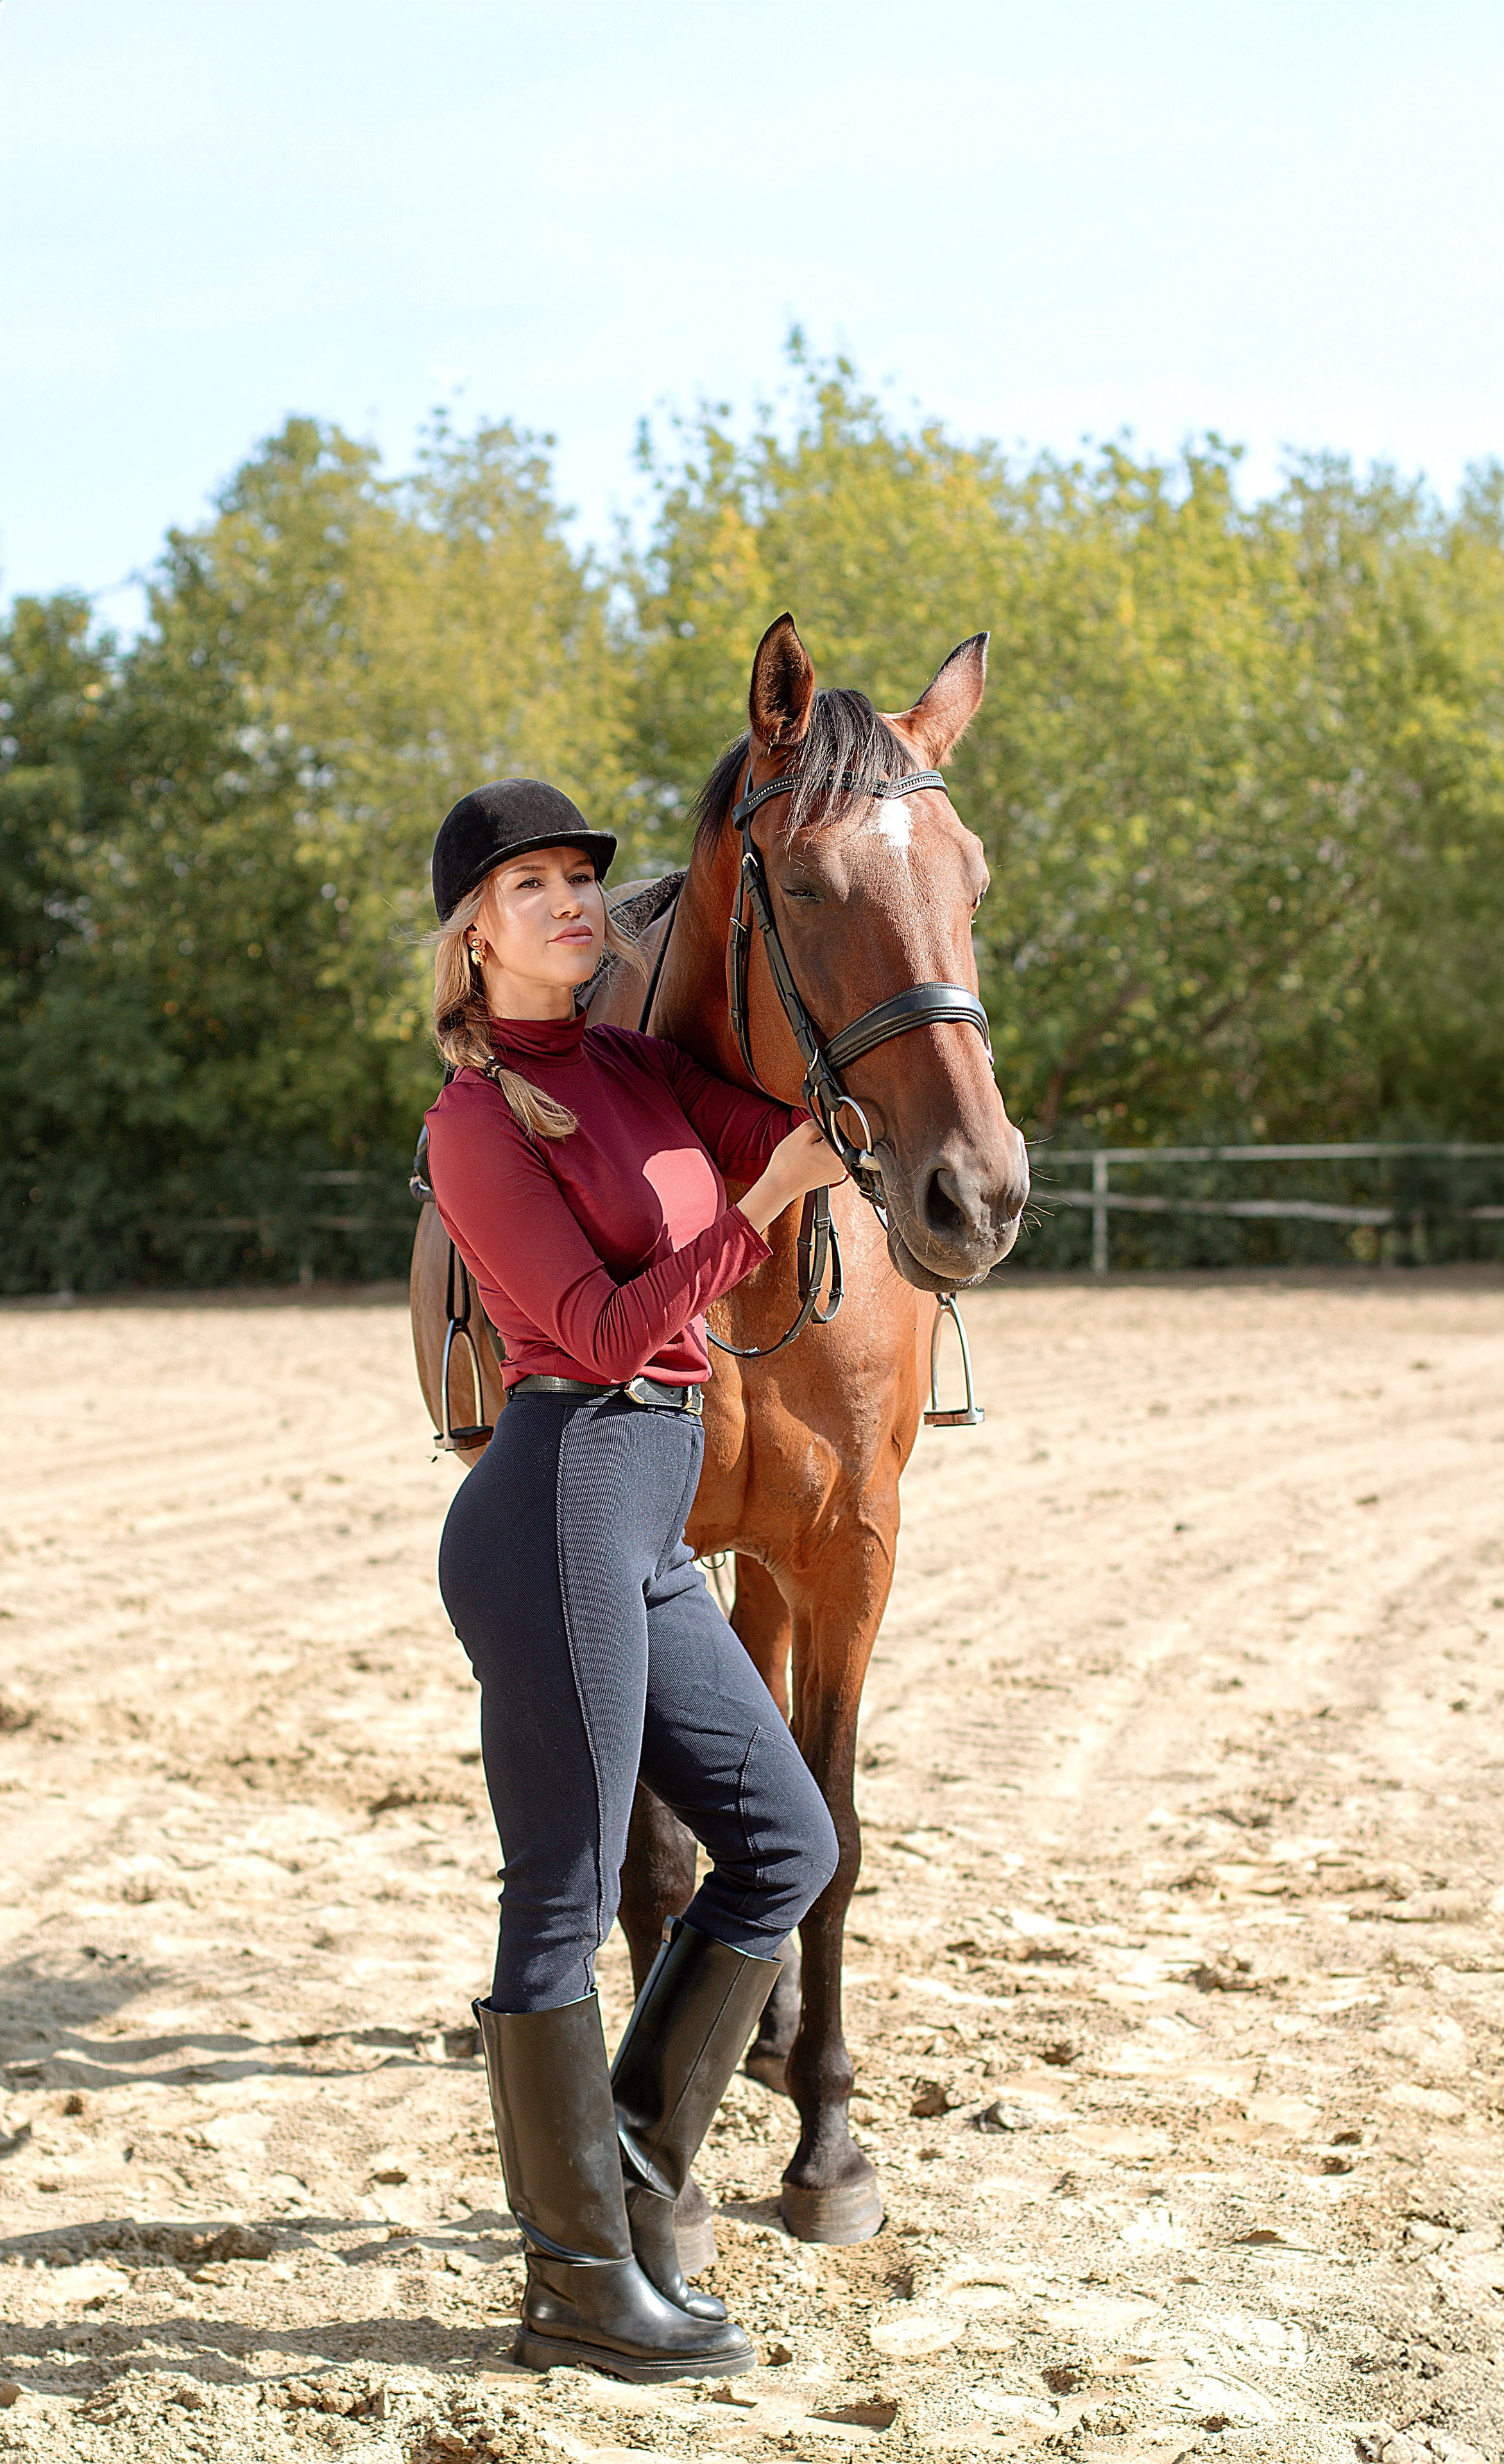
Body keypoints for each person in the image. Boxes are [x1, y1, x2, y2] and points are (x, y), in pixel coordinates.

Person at [422, 777, 844, 2384]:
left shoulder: (634, 1065)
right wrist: (756, 1206)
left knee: (784, 1843)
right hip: (554, 1496)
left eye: (583, 878)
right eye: (531, 884)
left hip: (643, 1513)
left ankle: (631, 2173)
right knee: (560, 1892)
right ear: (472, 935)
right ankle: (579, 2285)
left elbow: (794, 1129)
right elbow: (602, 1333)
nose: (572, 901)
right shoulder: (478, 1119)